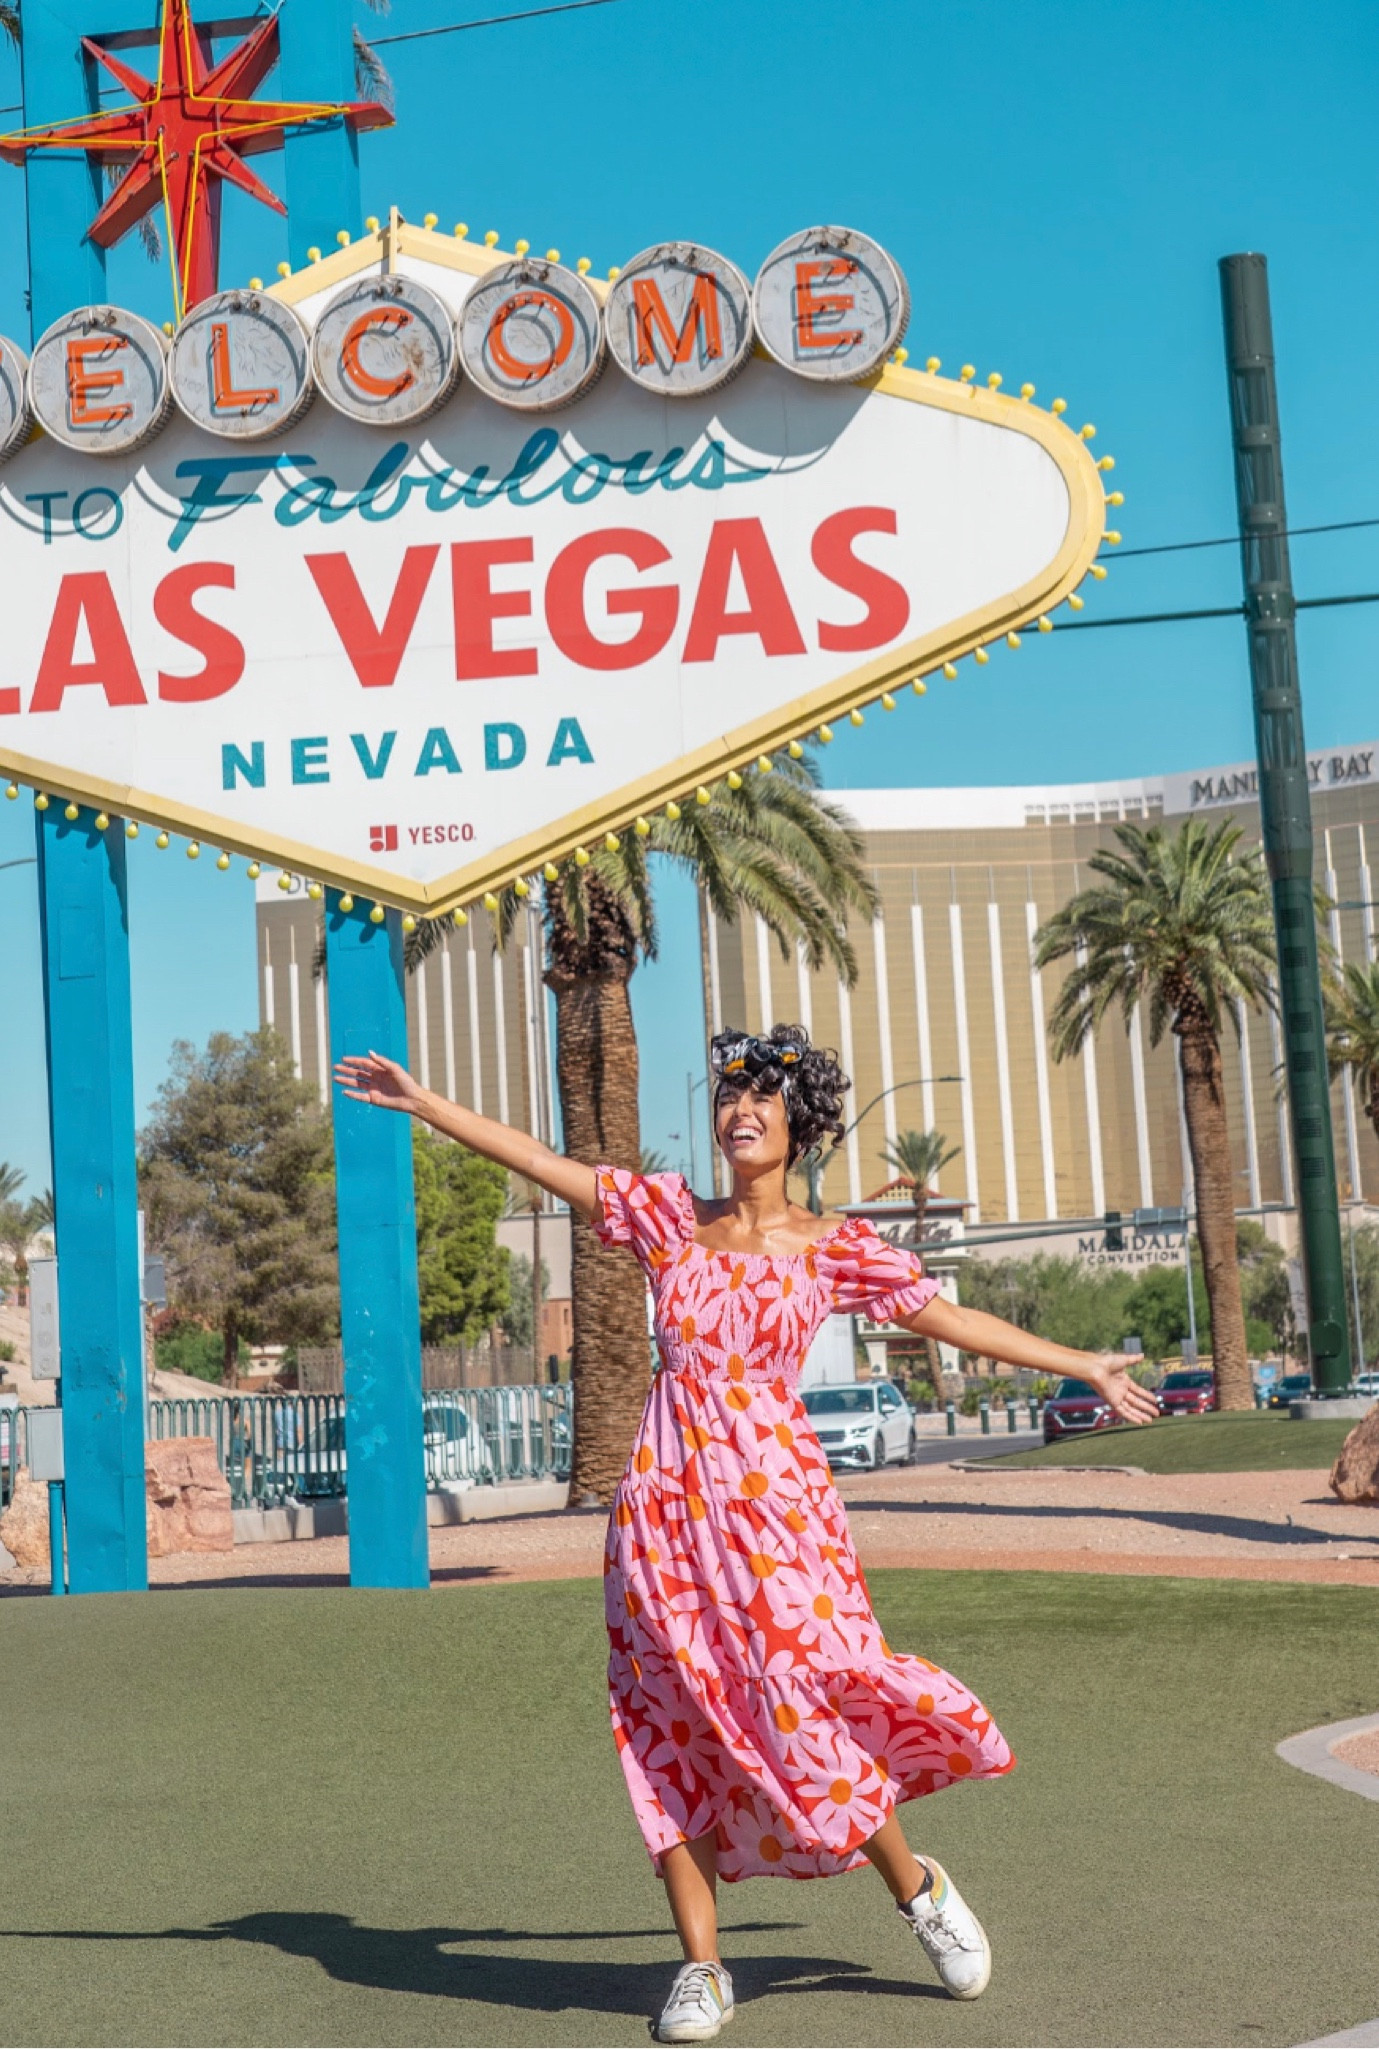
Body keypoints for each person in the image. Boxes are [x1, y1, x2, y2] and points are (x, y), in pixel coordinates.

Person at [336, 1023, 1157, 2044]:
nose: (740, 1111)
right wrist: (426, 1105)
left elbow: (948, 1319)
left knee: (804, 1706)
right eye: (729, 1096)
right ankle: (701, 1968)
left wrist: (1082, 1361)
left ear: (798, 1124)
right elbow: (548, 1165)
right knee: (666, 1720)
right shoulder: (666, 1217)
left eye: (762, 1097)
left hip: (778, 1517)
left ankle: (918, 1890)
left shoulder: (836, 1246)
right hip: (662, 1515)